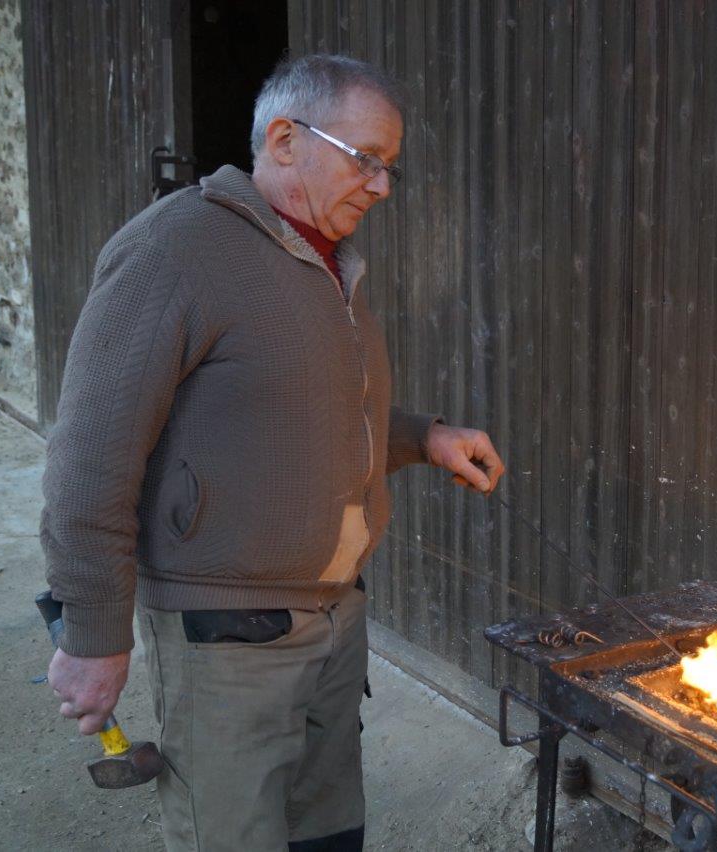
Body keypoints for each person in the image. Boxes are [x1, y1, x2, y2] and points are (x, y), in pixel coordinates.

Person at [41, 54, 504, 851]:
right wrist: (92, 635)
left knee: (327, 836)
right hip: (227, 637)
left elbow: (304, 416)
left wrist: (423, 437)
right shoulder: (175, 249)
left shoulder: (327, 260)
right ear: (286, 139)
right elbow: (89, 460)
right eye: (368, 160)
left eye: (390, 167)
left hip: (334, 619)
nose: (382, 186)